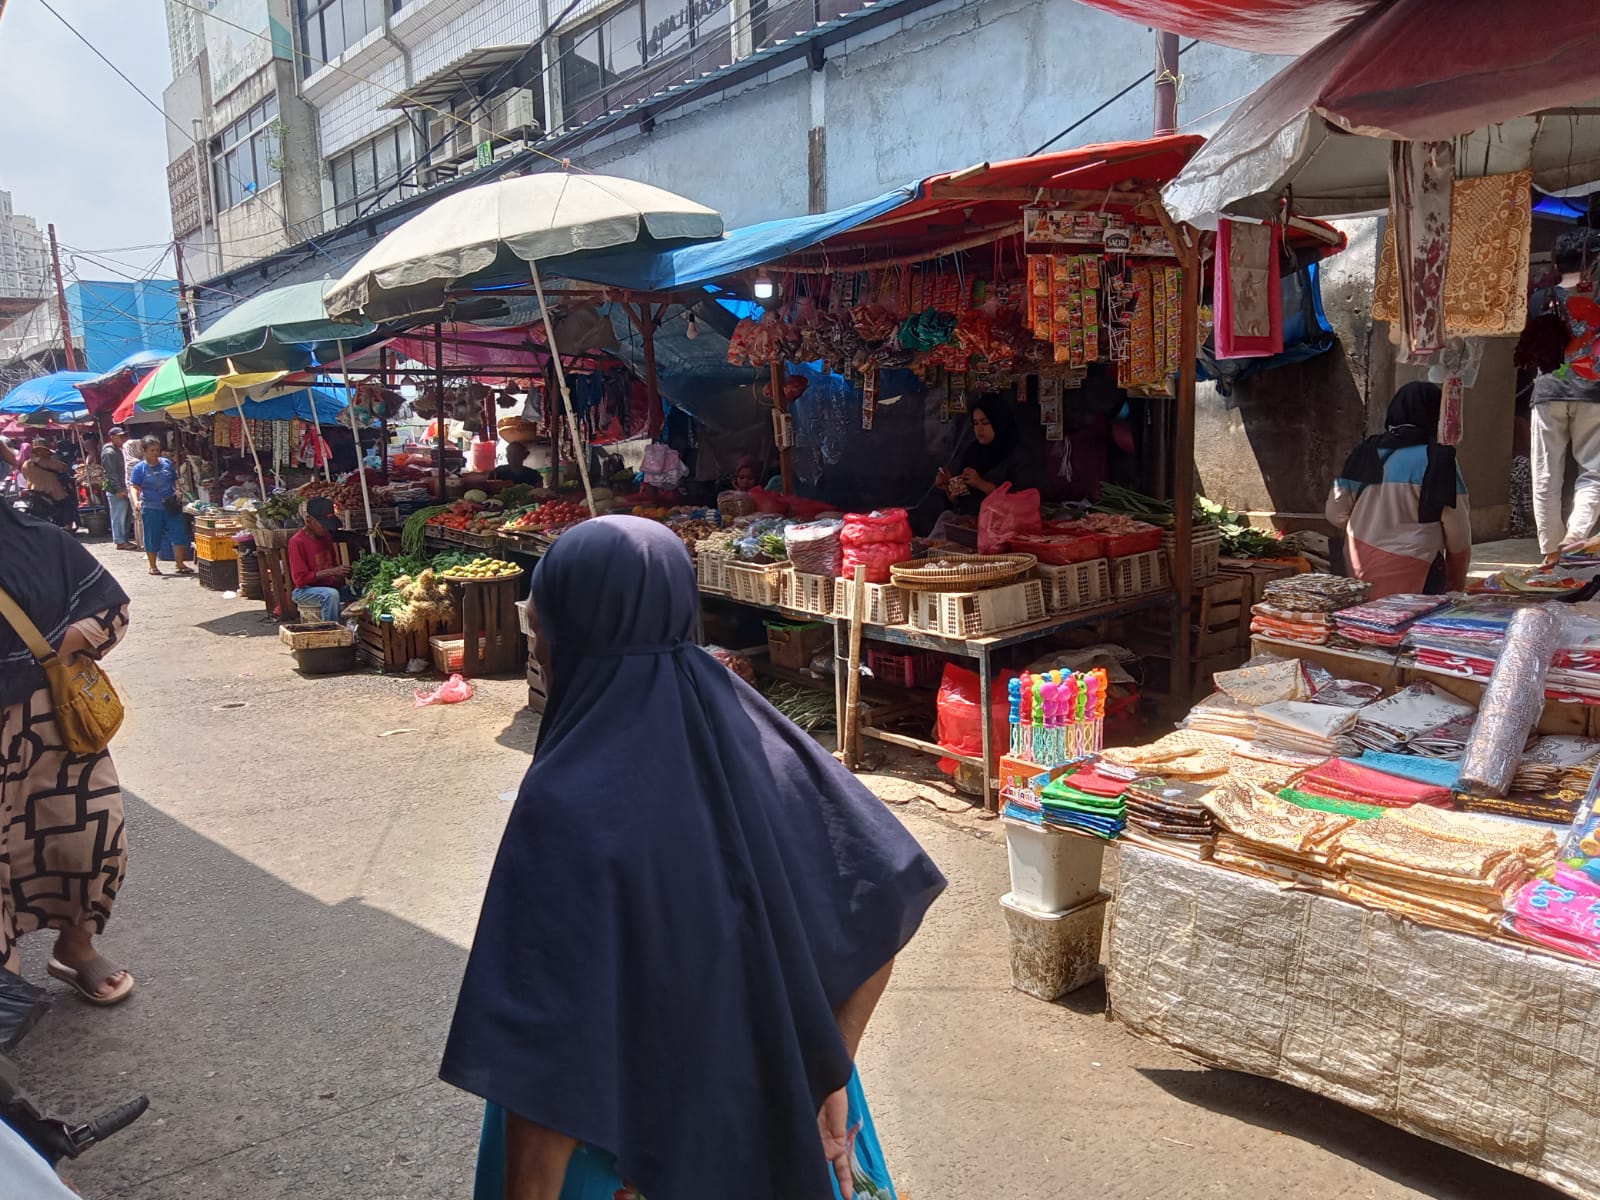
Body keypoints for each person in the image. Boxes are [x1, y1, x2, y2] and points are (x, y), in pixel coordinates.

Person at [441, 517, 945, 1200]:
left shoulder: (566, 801)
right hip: (777, 1116)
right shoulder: (767, 742)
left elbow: (547, 1059)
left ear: (560, 634)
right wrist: (830, 1068)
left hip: (618, 1146)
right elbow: (884, 888)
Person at [0, 499, 134, 1004]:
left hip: (51, 729)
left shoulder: (39, 541)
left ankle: (75, 948)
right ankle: (5, 980)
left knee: (91, 845)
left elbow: (111, 609)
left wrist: (57, 647)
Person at [1327, 381, 1471, 599]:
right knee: (1409, 630)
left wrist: (1370, 525)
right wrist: (1456, 583)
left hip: (1358, 568)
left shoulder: (1362, 452)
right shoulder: (1439, 459)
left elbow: (1334, 513)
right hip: (1418, 572)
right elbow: (1457, 531)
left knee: (1364, 628)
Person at [1530, 231, 1600, 566]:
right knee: (1594, 469)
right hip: (1594, 393)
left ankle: (1550, 551)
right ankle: (1576, 534)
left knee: (1546, 472)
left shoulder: (1541, 294)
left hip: (1548, 391)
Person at [936, 397, 1029, 515]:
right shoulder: (973, 452)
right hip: (971, 523)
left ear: (999, 422)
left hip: (1005, 525)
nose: (979, 429)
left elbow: (1022, 500)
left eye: (985, 423)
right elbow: (961, 501)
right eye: (976, 423)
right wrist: (949, 488)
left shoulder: (1017, 454)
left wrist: (981, 484)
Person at [128, 435, 192, 577]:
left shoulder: (166, 463)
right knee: (152, 536)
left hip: (171, 506)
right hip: (151, 508)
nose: (156, 453)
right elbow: (135, 487)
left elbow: (175, 480)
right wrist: (136, 501)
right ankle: (153, 566)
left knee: (178, 534)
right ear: (144, 451)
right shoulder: (140, 468)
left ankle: (180, 564)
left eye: (157, 450)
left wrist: (178, 491)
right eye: (152, 450)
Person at [289, 497, 352, 621]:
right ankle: (331, 631)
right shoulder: (297, 542)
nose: (326, 528)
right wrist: (332, 571)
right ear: (309, 520)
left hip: (329, 587)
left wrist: (343, 573)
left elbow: (332, 566)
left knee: (361, 590)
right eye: (323, 525)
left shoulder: (326, 537)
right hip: (305, 591)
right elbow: (300, 579)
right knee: (331, 595)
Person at [22, 441, 78, 530]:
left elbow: (25, 476)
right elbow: (63, 467)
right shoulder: (46, 462)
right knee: (67, 504)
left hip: (33, 489)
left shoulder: (26, 464)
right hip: (51, 490)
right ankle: (68, 526)